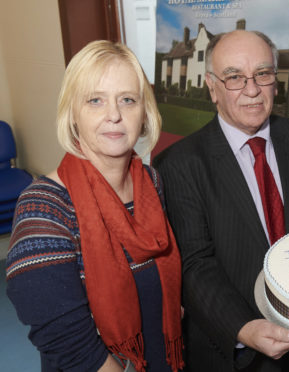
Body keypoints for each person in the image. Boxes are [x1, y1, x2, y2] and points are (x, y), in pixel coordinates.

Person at [153, 30, 289, 372]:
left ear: (276, 80)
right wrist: (244, 328)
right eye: (234, 77)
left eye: (262, 74)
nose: (252, 89)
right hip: (234, 352)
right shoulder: (179, 164)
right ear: (212, 86)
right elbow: (195, 263)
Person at [5, 40, 184, 372]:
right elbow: (66, 340)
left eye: (127, 100)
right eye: (95, 100)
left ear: (144, 113)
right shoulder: (44, 209)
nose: (114, 115)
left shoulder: (152, 183)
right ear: (73, 113)